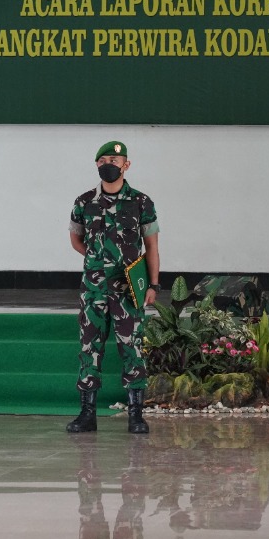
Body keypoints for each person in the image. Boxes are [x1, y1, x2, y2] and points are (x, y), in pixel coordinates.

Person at [66, 140, 160, 434]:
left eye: (115, 161)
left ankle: (136, 415)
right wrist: (97, 261)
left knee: (132, 348)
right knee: (89, 347)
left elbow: (152, 247)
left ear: (126, 165)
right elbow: (75, 239)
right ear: (97, 164)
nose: (109, 165)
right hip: (93, 289)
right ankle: (87, 414)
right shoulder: (84, 202)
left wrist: (153, 284)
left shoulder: (141, 202)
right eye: (104, 160)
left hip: (128, 290)